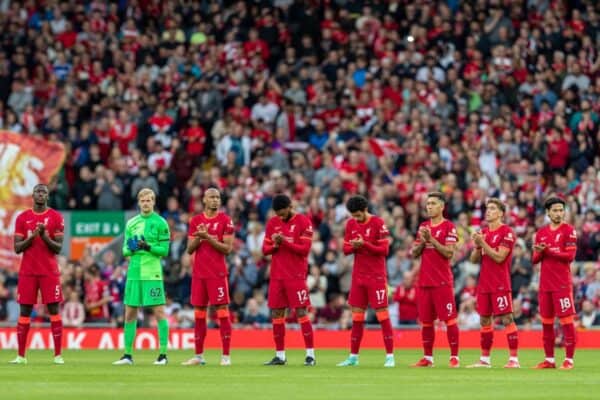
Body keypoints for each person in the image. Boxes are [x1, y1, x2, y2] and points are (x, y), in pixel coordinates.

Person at [113, 188, 171, 365]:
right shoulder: (131, 223)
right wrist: (130, 248)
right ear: (139, 202)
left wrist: (147, 247)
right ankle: (127, 355)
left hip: (152, 273)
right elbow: (124, 250)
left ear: (153, 202)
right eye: (143, 200)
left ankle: (162, 355)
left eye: (149, 200)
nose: (146, 203)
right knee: (130, 313)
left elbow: (165, 251)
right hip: (133, 273)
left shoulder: (161, 223)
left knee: (159, 312)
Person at [337, 195, 395, 367]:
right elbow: (345, 248)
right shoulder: (350, 224)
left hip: (376, 276)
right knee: (356, 317)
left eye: (358, 215)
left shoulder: (378, 223)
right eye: (353, 215)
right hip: (358, 277)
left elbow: (384, 250)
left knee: (382, 316)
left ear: (365, 210)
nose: (355, 219)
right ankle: (353, 357)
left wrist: (365, 245)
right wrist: (354, 246)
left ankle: (390, 356)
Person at [10, 184, 65, 365]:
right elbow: (17, 248)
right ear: (33, 195)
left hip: (49, 272)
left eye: (44, 192)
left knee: (54, 311)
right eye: (38, 192)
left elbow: (58, 248)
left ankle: (57, 356)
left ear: (47, 196)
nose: (41, 194)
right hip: (28, 272)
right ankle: (21, 356)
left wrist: (44, 236)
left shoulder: (56, 217)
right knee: (25, 311)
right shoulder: (22, 218)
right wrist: (33, 237)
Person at [182, 188, 234, 366]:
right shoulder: (195, 221)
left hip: (217, 274)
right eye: (212, 197)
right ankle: (198, 356)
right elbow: (189, 249)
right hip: (199, 275)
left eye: (218, 197)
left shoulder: (226, 221)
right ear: (204, 200)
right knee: (199, 315)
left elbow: (227, 249)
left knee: (222, 313)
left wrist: (208, 237)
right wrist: (200, 237)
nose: (215, 200)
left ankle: (225, 356)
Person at [262, 194, 316, 366]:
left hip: (296, 276)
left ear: (290, 206)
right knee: (277, 314)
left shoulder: (304, 221)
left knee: (301, 312)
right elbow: (265, 249)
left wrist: (284, 242)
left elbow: (304, 250)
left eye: (282, 212)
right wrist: (275, 245)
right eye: (277, 213)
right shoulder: (272, 223)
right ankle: (280, 355)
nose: (280, 216)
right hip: (277, 276)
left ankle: (310, 355)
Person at [467, 198, 519, 368]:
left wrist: (483, 243)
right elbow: (474, 261)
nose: (488, 211)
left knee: (507, 318)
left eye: (492, 208)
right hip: (484, 284)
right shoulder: (484, 232)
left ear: (501, 213)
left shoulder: (507, 232)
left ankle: (513, 359)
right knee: (484, 320)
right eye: (487, 208)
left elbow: (499, 257)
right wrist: (476, 246)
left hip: (500, 283)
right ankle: (485, 360)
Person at [410, 192, 460, 368]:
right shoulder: (423, 226)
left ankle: (454, 357)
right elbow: (414, 253)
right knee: (426, 321)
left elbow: (449, 252)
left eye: (433, 203)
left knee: (450, 319)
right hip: (424, 281)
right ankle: (428, 358)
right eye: (427, 203)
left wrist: (432, 240)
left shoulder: (449, 227)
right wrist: (423, 242)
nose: (429, 206)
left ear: (442, 206)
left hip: (442, 281)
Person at [533, 197, 578, 370]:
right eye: (555, 210)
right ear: (548, 212)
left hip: (561, 284)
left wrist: (548, 251)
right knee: (546, 323)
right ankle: (549, 360)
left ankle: (569, 360)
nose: (559, 213)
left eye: (561, 210)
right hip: (545, 285)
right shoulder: (541, 233)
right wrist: (539, 252)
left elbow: (570, 256)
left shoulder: (569, 230)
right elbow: (535, 260)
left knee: (566, 322)